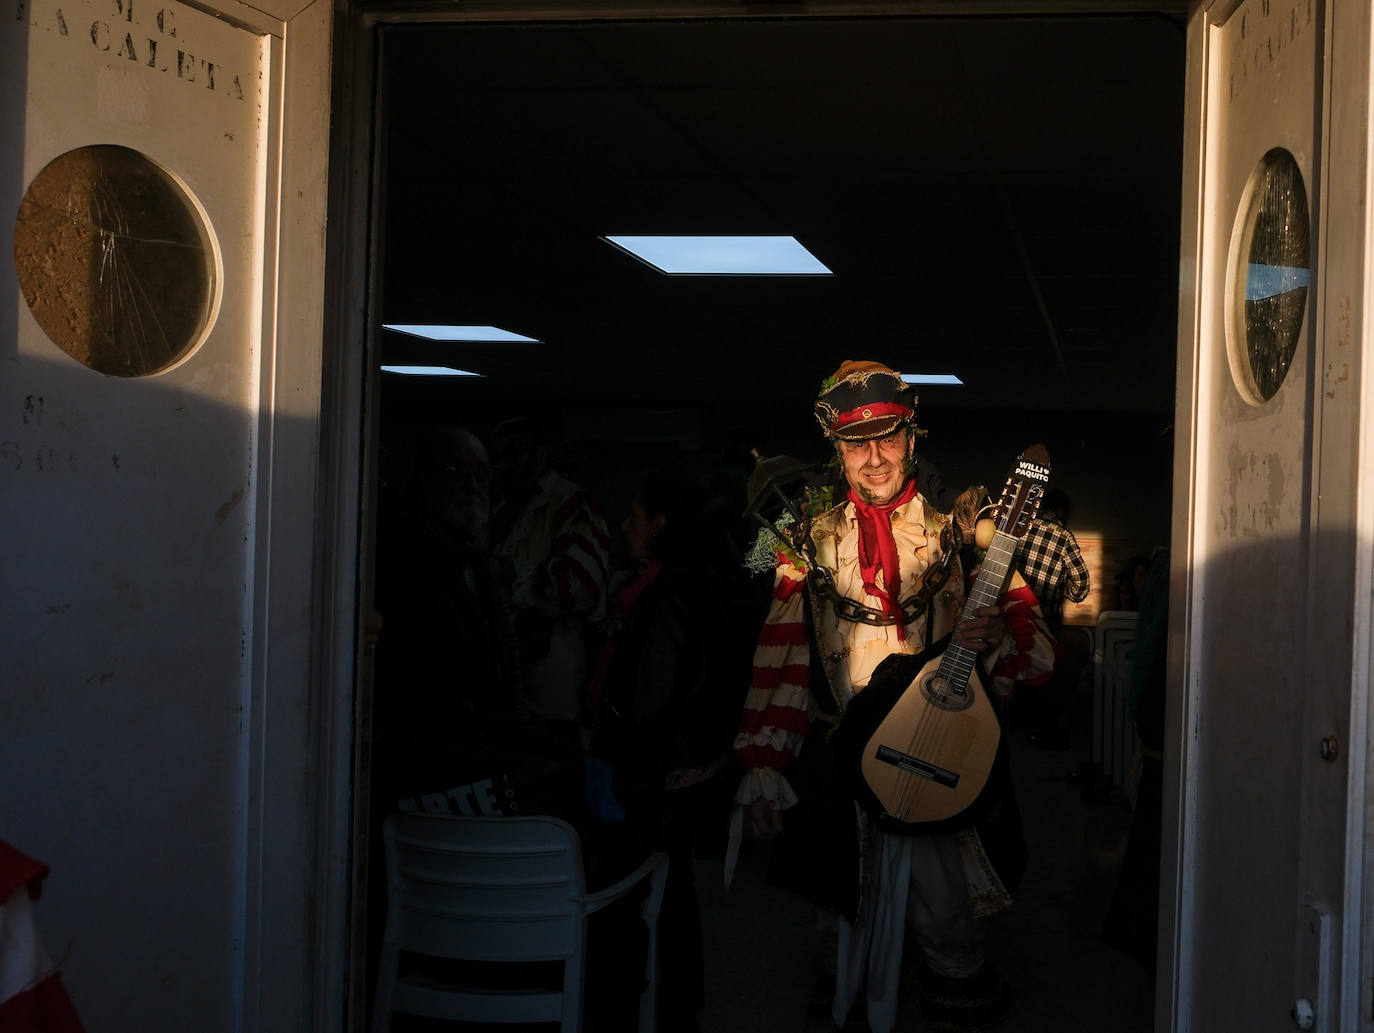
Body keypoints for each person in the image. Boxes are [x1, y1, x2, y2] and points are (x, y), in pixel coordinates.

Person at [731, 360, 1057, 1033]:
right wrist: (765, 762)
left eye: (887, 437)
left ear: (912, 438)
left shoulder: (963, 529)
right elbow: (782, 659)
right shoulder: (803, 540)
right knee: (838, 905)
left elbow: (1039, 656)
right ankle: (850, 989)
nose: (874, 457)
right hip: (842, 758)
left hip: (937, 753)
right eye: (857, 443)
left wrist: (994, 635)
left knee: (947, 913)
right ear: (836, 449)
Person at [588, 470, 751, 1033]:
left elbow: (651, 703)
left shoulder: (670, 594)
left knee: (657, 894)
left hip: (661, 778)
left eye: (633, 517)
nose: (623, 527)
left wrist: (616, 749)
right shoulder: (696, 583)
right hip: (683, 771)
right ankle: (675, 1004)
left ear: (660, 524)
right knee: (671, 892)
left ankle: (664, 1007)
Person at [488, 417, 611, 725]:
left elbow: (579, 587)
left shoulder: (572, 503)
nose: (504, 465)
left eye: (514, 454)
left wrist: (514, 574)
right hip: (506, 677)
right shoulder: (502, 511)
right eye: (499, 457)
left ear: (539, 454)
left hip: (553, 687)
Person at [1013, 486, 1091, 750]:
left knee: (1012, 669)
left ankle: (1013, 726)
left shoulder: (1019, 529)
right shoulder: (1064, 537)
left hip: (1013, 618)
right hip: (1045, 622)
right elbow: (1081, 586)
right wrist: (1065, 591)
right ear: (1061, 511)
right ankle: (1041, 730)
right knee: (1046, 673)